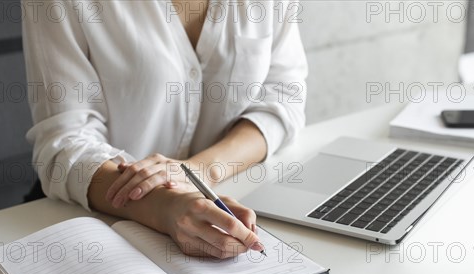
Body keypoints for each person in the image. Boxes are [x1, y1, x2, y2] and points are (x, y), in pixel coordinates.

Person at [22, 0, 308, 258]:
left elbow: (283, 98)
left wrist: (202, 170)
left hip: (229, 190)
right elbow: (65, 144)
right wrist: (167, 206)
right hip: (99, 222)